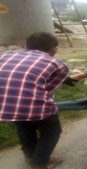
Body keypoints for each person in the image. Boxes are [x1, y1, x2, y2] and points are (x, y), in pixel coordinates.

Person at [0, 32, 73, 169]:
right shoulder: (58, 65)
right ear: (53, 50)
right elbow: (48, 89)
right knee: (51, 130)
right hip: (32, 106)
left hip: (4, 105)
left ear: (26, 46)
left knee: (23, 125)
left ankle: (30, 156)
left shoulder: (4, 56)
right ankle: (40, 162)